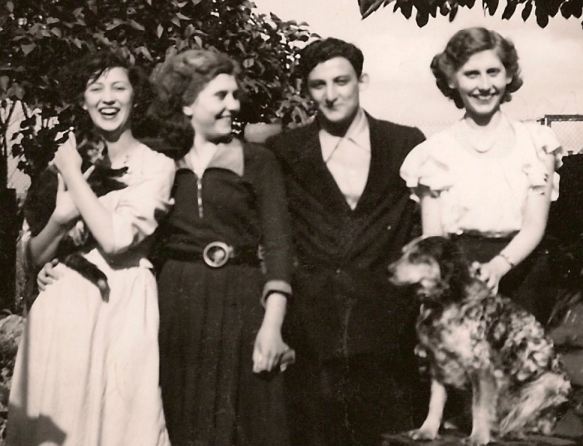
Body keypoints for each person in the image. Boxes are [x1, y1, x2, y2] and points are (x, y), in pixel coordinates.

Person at [7, 51, 174, 445]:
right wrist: (59, 219)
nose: (108, 98)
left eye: (119, 87)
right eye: (95, 88)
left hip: (121, 305)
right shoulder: (68, 161)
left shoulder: (157, 166)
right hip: (61, 308)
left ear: (135, 97)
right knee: (60, 421)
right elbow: (33, 257)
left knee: (121, 422)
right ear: (82, 100)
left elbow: (116, 240)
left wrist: (73, 177)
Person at [266, 37, 426, 446]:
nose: (331, 95)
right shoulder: (285, 150)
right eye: (318, 85)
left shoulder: (405, 143)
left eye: (341, 81)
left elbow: (423, 227)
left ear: (361, 80)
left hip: (388, 325)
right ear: (306, 89)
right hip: (313, 327)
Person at [149, 49, 293, 446]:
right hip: (176, 302)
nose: (234, 105)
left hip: (242, 300)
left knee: (250, 422)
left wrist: (272, 327)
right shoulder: (158, 162)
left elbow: (279, 245)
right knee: (181, 416)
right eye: (221, 96)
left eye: (235, 95)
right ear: (186, 103)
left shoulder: (257, 160)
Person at [400, 27, 563, 322]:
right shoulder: (433, 154)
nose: (484, 85)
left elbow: (535, 224)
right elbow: (435, 238)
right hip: (459, 275)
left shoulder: (537, 143)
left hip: (522, 273)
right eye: (471, 74)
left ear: (509, 75)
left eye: (493, 72)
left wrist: (498, 267)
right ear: (452, 79)